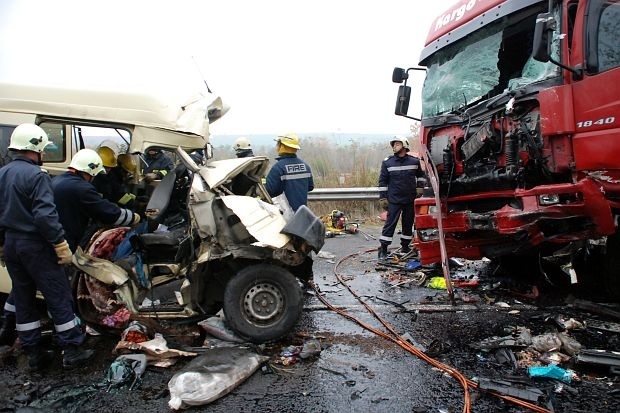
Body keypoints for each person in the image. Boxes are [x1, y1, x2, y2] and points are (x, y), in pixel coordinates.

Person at [0, 123, 94, 370]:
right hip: (36, 246)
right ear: (36, 148)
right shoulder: (37, 176)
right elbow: (44, 216)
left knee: (23, 296)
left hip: (12, 244)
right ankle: (72, 350)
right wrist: (59, 243)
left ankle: (33, 353)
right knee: (57, 295)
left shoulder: (3, 173)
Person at [52, 148, 141, 252]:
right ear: (91, 170)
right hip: (65, 239)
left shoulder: (57, 180)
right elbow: (106, 212)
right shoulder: (82, 188)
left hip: (53, 235)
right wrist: (133, 217)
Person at [377, 136, 424, 262]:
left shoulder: (414, 161)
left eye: (397, 144)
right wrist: (383, 198)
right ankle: (383, 249)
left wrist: (420, 187)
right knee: (390, 224)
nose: (394, 146)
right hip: (394, 200)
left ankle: (405, 247)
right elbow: (382, 181)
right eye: (393, 144)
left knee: (408, 224)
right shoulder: (388, 162)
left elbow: (421, 176)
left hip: (410, 199)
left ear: (404, 145)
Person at [265, 133, 314, 212]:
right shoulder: (305, 166)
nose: (277, 146)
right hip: (302, 213)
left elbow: (269, 191)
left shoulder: (278, 168)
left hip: (286, 214)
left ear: (282, 146)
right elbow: (310, 187)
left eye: (278, 144)